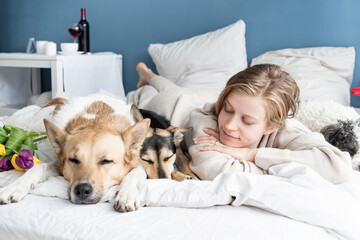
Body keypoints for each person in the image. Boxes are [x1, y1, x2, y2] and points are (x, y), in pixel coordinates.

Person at [134, 62, 353, 184]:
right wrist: (287, 168)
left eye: (247, 121)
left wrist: (252, 155)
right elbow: (220, 173)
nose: (228, 126)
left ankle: (148, 74)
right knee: (156, 93)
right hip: (174, 105)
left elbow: (339, 167)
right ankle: (148, 75)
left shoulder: (285, 128)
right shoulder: (203, 122)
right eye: (227, 110)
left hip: (216, 99)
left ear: (271, 127)